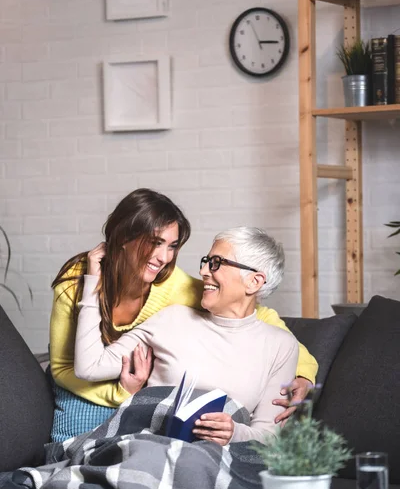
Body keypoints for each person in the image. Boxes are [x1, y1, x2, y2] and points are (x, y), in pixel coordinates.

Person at [50, 188, 317, 440]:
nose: (164, 258)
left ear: (255, 282)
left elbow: (259, 319)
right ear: (124, 239)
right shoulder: (170, 316)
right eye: (154, 243)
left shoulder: (182, 289)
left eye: (172, 246)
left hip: (214, 454)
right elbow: (80, 367)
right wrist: (124, 393)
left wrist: (304, 375)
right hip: (145, 435)